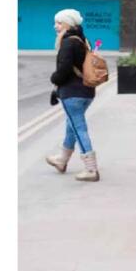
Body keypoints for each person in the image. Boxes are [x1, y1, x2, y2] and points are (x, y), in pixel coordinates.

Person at [45, 9, 100, 182]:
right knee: (72, 125)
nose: (55, 26)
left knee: (78, 128)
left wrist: (54, 80)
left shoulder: (68, 42)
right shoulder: (83, 40)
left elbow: (63, 70)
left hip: (73, 93)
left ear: (68, 23)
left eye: (59, 22)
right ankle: (62, 160)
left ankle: (91, 169)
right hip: (87, 92)